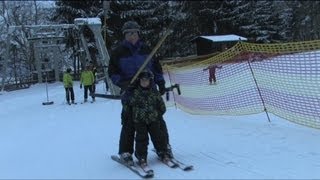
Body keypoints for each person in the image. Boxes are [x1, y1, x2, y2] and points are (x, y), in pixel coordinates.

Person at [108, 20, 172, 165]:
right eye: (129, 33)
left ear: (138, 33)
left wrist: (160, 82)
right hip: (130, 92)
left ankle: (164, 147)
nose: (132, 36)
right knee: (129, 122)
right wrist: (122, 83)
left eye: (135, 32)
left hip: (149, 91)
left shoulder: (147, 49)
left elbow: (157, 68)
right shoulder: (118, 52)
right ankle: (126, 152)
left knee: (157, 121)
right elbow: (112, 72)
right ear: (125, 35)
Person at [130, 70, 169, 166]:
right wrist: (134, 116)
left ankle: (162, 152)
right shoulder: (135, 93)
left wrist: (158, 114)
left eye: (146, 80)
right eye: (142, 80)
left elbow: (161, 105)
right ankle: (141, 156)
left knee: (158, 136)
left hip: (153, 120)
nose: (144, 82)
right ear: (139, 81)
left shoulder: (154, 92)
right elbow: (130, 105)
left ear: (150, 81)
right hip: (140, 121)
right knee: (142, 139)